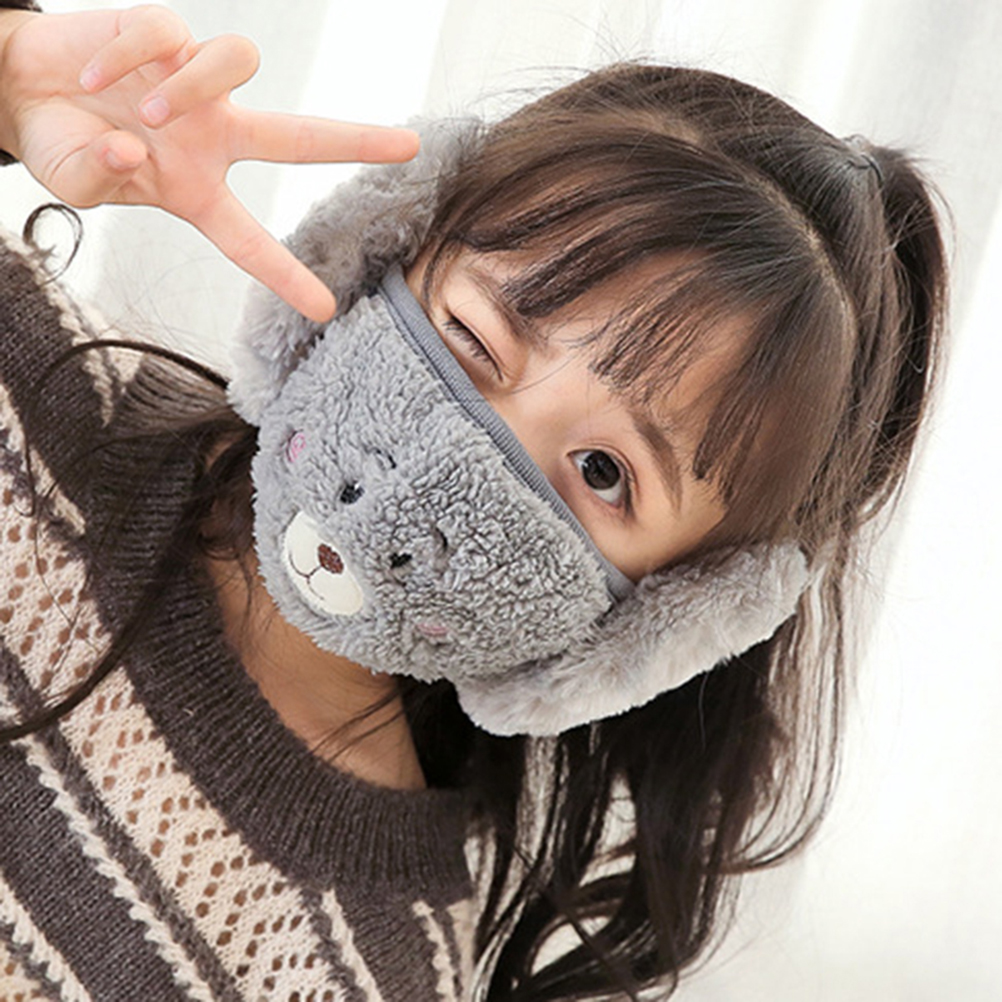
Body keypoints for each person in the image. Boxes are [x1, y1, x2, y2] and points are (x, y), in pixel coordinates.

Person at [0, 4, 947, 1001]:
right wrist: (11, 73)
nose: (443, 471)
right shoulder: (27, 392)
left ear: (670, 619)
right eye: (472, 339)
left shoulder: (364, 972)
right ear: (377, 250)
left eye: (604, 471)